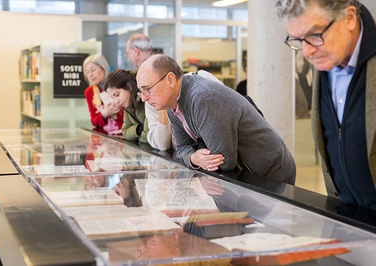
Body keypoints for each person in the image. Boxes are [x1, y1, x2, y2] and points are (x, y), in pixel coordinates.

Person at [275, 0, 376, 209]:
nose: (307, 52)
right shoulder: (325, 59)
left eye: (314, 35)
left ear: (349, 18)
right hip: (349, 218)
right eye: (298, 40)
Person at [136, 54, 296, 184]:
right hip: (243, 176)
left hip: (270, 172)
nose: (144, 98)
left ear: (170, 79)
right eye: (140, 92)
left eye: (147, 89)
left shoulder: (204, 98)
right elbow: (182, 148)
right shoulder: (173, 105)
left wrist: (195, 155)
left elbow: (223, 160)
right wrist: (194, 158)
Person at [105, 69, 149, 143]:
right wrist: (139, 129)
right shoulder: (126, 104)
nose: (116, 101)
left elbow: (146, 137)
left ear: (129, 87)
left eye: (117, 94)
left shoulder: (145, 99)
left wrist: (135, 133)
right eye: (113, 98)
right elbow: (125, 132)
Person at [83, 54, 123, 134]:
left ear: (103, 68)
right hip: (104, 136)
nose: (90, 75)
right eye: (87, 72)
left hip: (122, 133)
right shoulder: (89, 92)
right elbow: (94, 121)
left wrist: (114, 112)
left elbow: (128, 116)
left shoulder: (118, 85)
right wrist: (105, 114)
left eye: (93, 70)